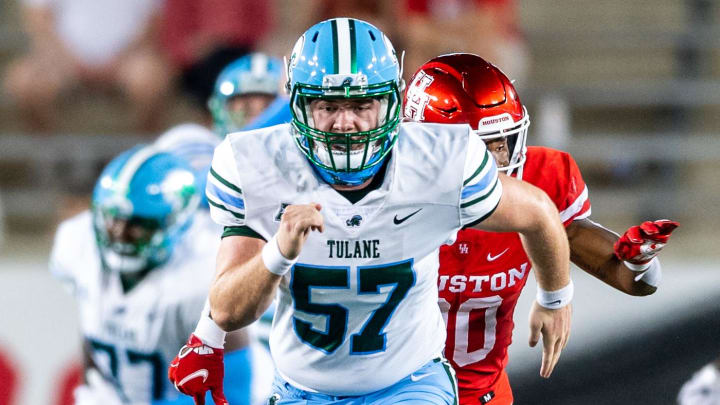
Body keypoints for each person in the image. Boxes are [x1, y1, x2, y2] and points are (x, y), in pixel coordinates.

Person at [168, 18, 572, 405]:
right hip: (301, 391)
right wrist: (278, 252)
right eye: (327, 105)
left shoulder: (438, 160)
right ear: (296, 104)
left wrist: (555, 297)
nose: (346, 123)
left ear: (392, 101)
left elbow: (537, 211)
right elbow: (227, 309)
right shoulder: (254, 164)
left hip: (410, 384)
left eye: (363, 104)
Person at [403, 53, 679, 404]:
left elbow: (635, 283)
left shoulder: (540, 184)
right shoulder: (380, 190)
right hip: (388, 391)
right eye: (476, 149)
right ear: (423, 144)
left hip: (482, 395)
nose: (495, 164)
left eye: (500, 144)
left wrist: (641, 265)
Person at [49, 145, 252, 404]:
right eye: (113, 218)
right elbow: (94, 327)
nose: (120, 232)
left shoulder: (204, 272)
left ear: (176, 222)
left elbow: (233, 392)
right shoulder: (78, 243)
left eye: (138, 223)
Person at [3, 0, 173, 132]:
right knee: (24, 82)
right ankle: (50, 158)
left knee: (152, 80)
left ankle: (139, 156)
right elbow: (38, 21)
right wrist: (70, 60)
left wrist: (117, 61)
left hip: (128, 61)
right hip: (61, 62)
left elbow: (153, 23)